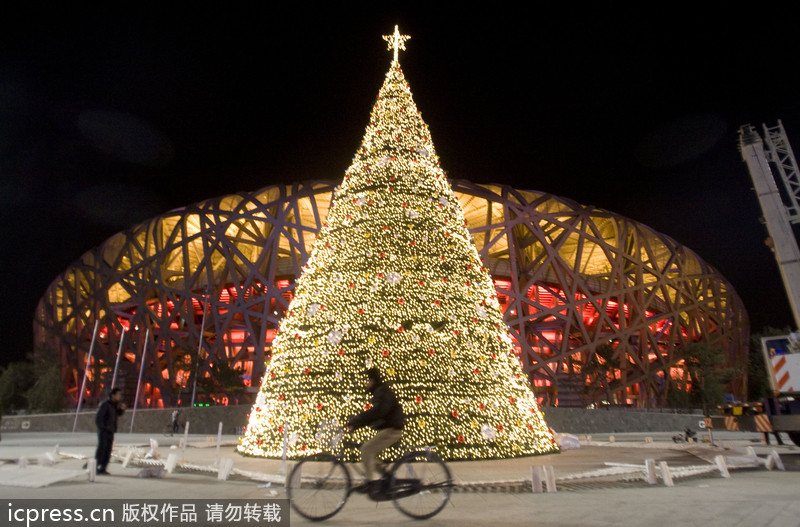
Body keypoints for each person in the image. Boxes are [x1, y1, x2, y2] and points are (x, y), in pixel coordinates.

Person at [347, 367, 405, 492]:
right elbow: (375, 414)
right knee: (371, 454)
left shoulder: (382, 391)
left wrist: (356, 421)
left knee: (366, 450)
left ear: (372, 380)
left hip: (392, 429)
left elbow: (377, 412)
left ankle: (369, 482)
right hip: (390, 427)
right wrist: (357, 424)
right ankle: (388, 477)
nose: (366, 384)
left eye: (368, 381)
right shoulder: (380, 391)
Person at [94, 387, 126, 474]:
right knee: (102, 449)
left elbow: (117, 414)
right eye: (118, 394)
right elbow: (98, 418)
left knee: (108, 450)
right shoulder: (105, 404)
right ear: (113, 395)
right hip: (104, 431)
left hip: (111, 431)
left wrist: (122, 410)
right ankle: (95, 467)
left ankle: (103, 468)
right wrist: (103, 428)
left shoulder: (114, 405)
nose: (119, 396)